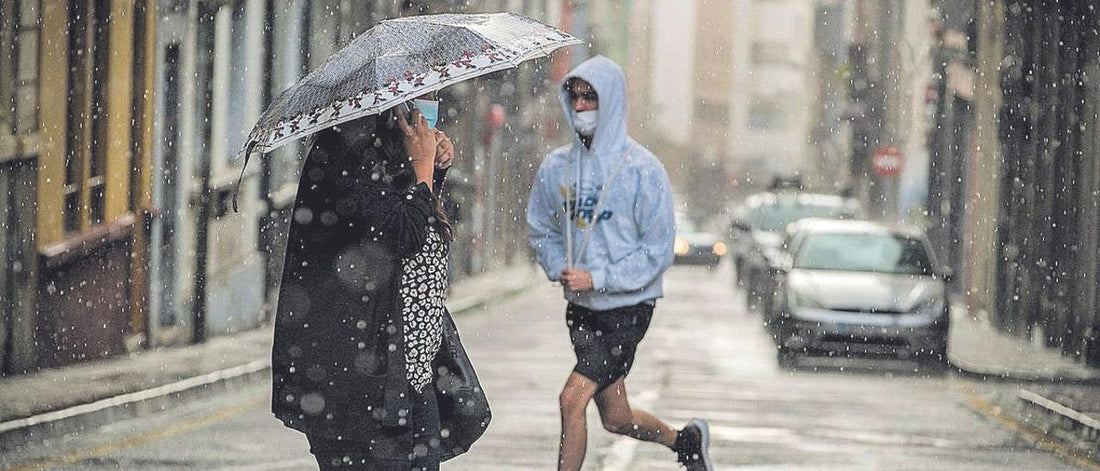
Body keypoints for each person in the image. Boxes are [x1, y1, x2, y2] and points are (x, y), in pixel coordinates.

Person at [526, 55, 714, 471]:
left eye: (590, 98)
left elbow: (657, 249)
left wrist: (600, 277)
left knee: (571, 399)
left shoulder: (643, 170)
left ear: (610, 101)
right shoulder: (556, 167)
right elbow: (542, 229)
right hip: (581, 310)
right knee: (616, 418)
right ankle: (684, 441)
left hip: (627, 310)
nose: (580, 107)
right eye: (573, 97)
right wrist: (560, 266)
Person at [271, 99, 471, 471]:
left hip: (412, 376)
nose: (423, 111)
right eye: (414, 100)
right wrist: (423, 167)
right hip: (362, 383)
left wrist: (433, 169)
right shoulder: (348, 152)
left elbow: (418, 223)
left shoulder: (391, 149)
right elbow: (400, 233)